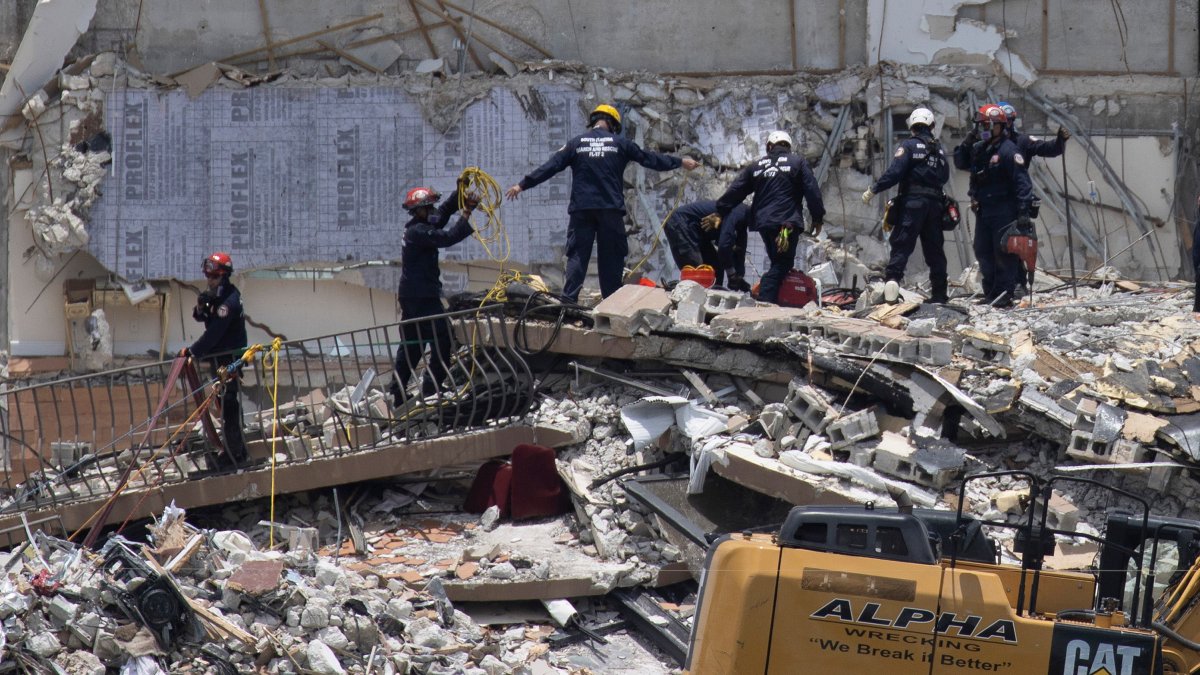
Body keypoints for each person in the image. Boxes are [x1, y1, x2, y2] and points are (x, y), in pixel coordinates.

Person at [505, 104, 699, 301]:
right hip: (610, 209)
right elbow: (650, 159)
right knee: (611, 258)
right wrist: (680, 162)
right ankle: (611, 303)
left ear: (593, 121)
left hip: (582, 209)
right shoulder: (621, 144)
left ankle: (567, 304)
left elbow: (551, 166)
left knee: (578, 256)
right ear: (614, 124)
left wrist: (522, 185)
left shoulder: (576, 143)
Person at [390, 182, 479, 406]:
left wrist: (459, 191)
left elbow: (442, 214)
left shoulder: (418, 225)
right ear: (418, 210)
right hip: (422, 297)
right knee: (443, 338)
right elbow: (447, 237)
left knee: (413, 344)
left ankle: (397, 394)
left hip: (413, 295)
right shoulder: (418, 231)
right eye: (427, 208)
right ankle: (431, 388)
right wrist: (466, 213)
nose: (432, 211)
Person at [714, 130, 825, 304]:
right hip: (787, 224)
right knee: (784, 264)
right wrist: (817, 217)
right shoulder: (798, 163)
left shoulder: (756, 166)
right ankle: (765, 299)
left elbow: (736, 190)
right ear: (788, 146)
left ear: (769, 146)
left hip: (764, 224)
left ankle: (776, 300)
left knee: (777, 263)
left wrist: (720, 210)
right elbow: (812, 190)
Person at [861, 107, 951, 303]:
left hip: (913, 204)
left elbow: (895, 173)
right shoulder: (939, 150)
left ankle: (892, 289)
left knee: (902, 245)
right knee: (935, 249)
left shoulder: (909, 146)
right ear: (932, 126)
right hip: (935, 205)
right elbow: (944, 176)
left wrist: (874, 189)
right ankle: (939, 295)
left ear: (912, 127)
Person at [953, 104, 1034, 309]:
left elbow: (1022, 182)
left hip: (1004, 211)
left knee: (1003, 254)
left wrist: (1023, 212)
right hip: (984, 210)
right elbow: (961, 161)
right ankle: (990, 292)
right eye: (980, 126)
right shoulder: (981, 149)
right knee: (982, 251)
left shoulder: (1009, 151)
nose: (983, 130)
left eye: (986, 125)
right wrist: (968, 140)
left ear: (999, 126)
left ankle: (1004, 294)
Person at [182, 252, 248, 467]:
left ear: (224, 276)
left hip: (229, 359)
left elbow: (214, 333)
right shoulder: (217, 297)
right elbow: (202, 317)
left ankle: (235, 454)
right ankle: (230, 448)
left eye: (214, 277)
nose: (209, 281)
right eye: (208, 277)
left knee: (229, 404)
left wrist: (192, 352)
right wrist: (201, 306)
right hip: (218, 359)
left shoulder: (228, 302)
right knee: (221, 403)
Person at [663, 200, 752, 291]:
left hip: (697, 232)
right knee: (698, 272)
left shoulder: (742, 224)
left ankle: (712, 299)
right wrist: (731, 274)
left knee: (715, 271)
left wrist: (739, 277)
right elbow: (724, 246)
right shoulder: (737, 213)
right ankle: (690, 300)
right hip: (681, 223)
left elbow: (739, 251)